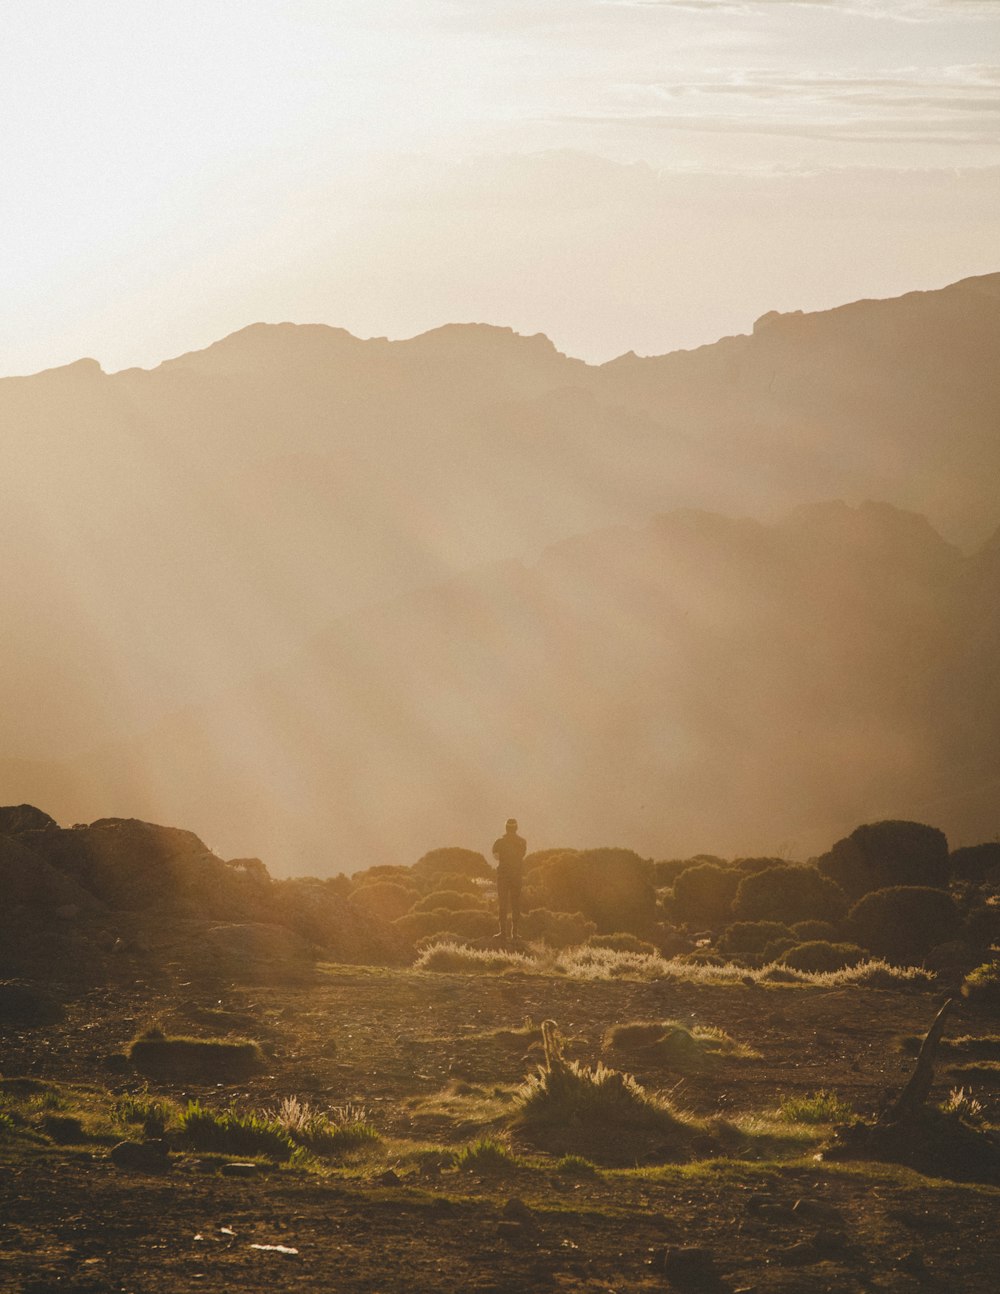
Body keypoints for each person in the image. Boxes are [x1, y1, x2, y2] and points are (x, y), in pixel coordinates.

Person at [492, 817, 527, 944]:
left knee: (503, 904)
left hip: (503, 876)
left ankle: (503, 933)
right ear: (516, 828)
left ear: (506, 828)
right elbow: (521, 855)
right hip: (517, 876)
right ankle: (515, 933)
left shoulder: (499, 842)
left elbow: (496, 857)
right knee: (515, 904)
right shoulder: (522, 842)